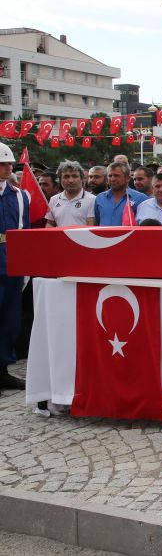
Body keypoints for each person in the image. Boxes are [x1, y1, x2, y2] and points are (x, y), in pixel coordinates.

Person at [0, 143, 30, 392]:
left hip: (11, 264)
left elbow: (24, 231)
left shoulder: (20, 195)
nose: (8, 168)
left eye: (10, 164)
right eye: (3, 164)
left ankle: (3, 370)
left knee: (10, 321)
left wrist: (25, 266)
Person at [45, 161, 96, 227]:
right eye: (66, 177)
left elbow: (90, 226)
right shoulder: (53, 199)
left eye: (74, 176)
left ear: (82, 179)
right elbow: (50, 224)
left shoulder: (92, 199)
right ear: (60, 180)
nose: (70, 180)